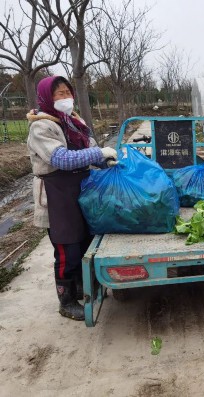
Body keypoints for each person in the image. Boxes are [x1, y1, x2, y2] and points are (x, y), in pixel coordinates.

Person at [26, 75, 118, 321]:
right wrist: (97, 152)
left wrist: (106, 161)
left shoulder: (72, 121)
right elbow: (61, 159)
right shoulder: (42, 126)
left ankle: (82, 287)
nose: (65, 98)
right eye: (59, 94)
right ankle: (66, 300)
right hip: (57, 192)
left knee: (87, 240)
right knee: (68, 248)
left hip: (81, 187)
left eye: (68, 92)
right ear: (47, 97)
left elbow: (88, 149)